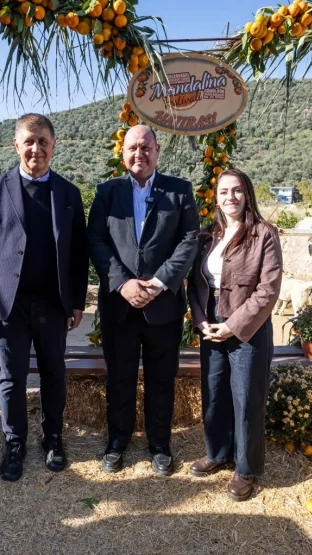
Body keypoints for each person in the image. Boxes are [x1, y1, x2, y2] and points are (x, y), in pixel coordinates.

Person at [0, 113, 88, 482]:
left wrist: (78, 301)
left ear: (54, 145)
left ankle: (53, 438)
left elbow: (79, 254)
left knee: (54, 373)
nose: (36, 148)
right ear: (16, 145)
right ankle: (14, 442)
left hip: (53, 303)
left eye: (43, 141)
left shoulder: (69, 193)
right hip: (9, 305)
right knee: (12, 377)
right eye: (29, 141)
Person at [87, 124, 199, 476]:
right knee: (119, 378)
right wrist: (122, 283)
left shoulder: (179, 190)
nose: (140, 153)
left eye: (146, 147)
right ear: (123, 153)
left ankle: (160, 444)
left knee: (161, 379)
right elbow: (96, 241)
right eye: (133, 147)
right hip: (119, 306)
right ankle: (117, 441)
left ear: (157, 150)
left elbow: (189, 239)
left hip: (162, 305)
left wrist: (160, 282)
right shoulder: (107, 192)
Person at [187, 168, 283, 501]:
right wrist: (201, 319)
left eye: (237, 190)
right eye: (224, 191)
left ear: (248, 194)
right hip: (211, 322)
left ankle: (246, 468)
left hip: (247, 326)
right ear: (216, 198)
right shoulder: (208, 236)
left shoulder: (264, 234)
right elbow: (195, 283)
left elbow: (268, 289)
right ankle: (218, 452)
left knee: (246, 397)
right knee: (214, 391)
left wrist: (233, 325)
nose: (231, 197)